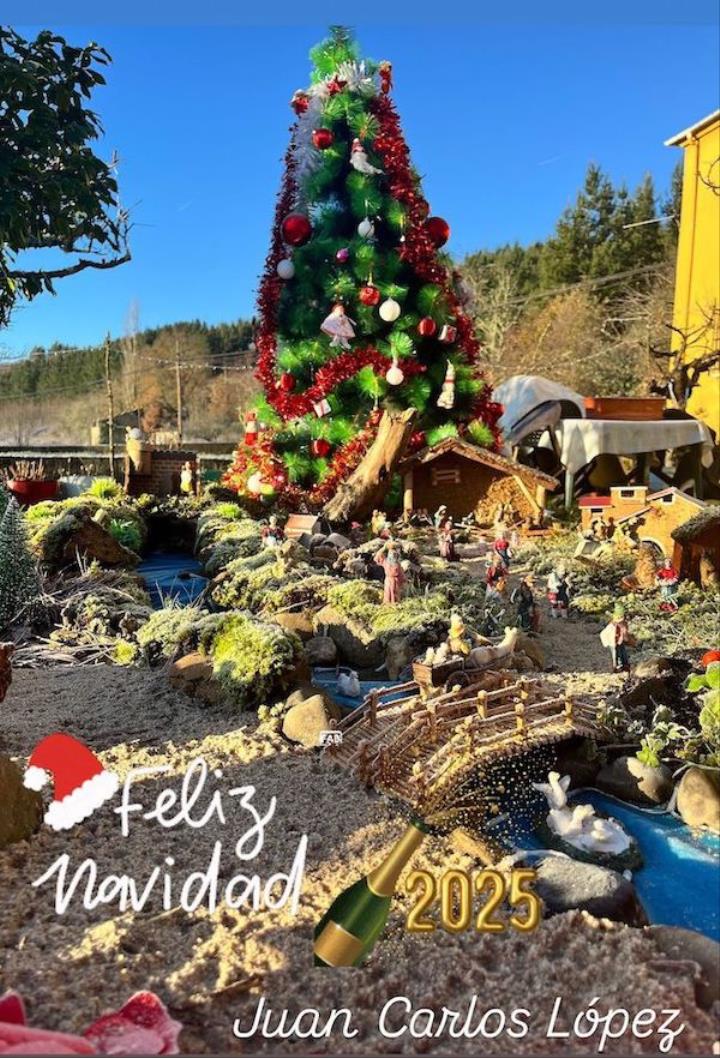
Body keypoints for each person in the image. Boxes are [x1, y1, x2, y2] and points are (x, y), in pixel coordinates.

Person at [600, 604, 633, 672]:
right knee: (616, 654)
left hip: (620, 641)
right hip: (613, 642)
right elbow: (605, 635)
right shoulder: (611, 626)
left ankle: (625, 664)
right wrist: (609, 643)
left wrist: (627, 639)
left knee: (623, 652)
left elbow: (625, 633)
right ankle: (617, 666)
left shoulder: (624, 624)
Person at [374, 538, 406, 604]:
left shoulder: (397, 564)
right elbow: (377, 557)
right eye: (392, 553)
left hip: (395, 583)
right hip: (389, 581)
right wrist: (384, 547)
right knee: (388, 596)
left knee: (395, 597)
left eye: (395, 554)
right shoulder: (386, 561)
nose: (394, 555)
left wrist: (403, 581)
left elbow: (402, 576)